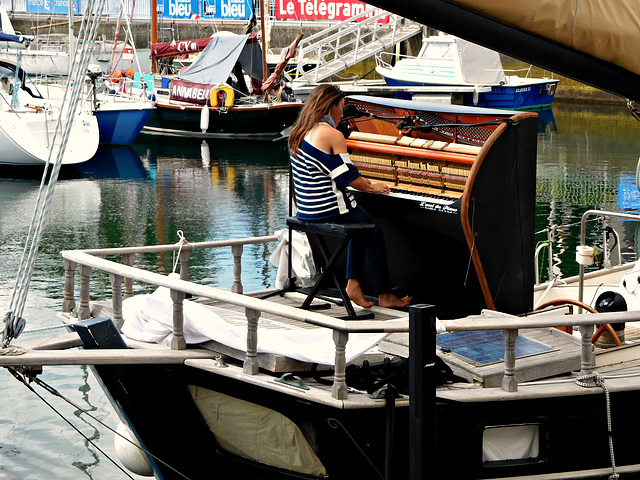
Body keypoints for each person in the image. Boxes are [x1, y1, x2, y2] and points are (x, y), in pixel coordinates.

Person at [288, 84, 410, 309]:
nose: (342, 114)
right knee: (373, 230)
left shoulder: (299, 132)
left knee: (359, 227)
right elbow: (348, 179)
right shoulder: (331, 135)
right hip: (328, 208)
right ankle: (384, 295)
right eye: (341, 107)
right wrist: (373, 186)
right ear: (330, 105)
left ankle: (353, 285)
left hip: (307, 208)